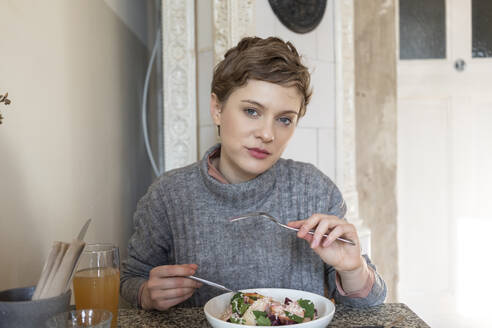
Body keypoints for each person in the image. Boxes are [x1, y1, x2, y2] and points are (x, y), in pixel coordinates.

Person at [120, 36, 387, 311]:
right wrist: (146, 293)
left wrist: (354, 269)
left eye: (284, 119)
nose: (268, 134)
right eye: (252, 111)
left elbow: (370, 303)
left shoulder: (315, 189)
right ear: (217, 109)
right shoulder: (168, 195)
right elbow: (131, 280)